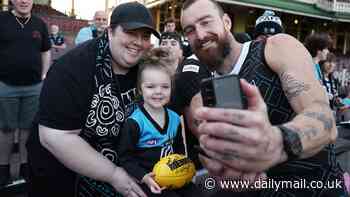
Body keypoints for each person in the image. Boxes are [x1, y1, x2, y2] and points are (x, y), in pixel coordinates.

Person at [180, 0, 346, 196]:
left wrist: (277, 142)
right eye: (190, 30)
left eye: (206, 22)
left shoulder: (275, 47)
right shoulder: (205, 96)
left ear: (226, 22)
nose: (199, 34)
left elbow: (325, 119)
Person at [26, 2, 160, 197]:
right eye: (131, 33)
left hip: (122, 174)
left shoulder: (146, 69)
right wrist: (114, 174)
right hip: (61, 177)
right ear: (110, 31)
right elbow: (54, 137)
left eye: (145, 36)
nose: (139, 42)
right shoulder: (73, 67)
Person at [118, 51, 200, 196]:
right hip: (148, 181)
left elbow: (179, 150)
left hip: (173, 177)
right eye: (151, 87)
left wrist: (185, 168)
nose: (158, 92)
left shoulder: (175, 118)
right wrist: (143, 177)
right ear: (140, 89)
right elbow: (125, 158)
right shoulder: (135, 122)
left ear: (171, 88)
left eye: (164, 87)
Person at [0, 0, 51, 185]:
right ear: (12, 1)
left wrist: (44, 75)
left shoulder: (39, 24)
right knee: (6, 130)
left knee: (27, 130)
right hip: (5, 85)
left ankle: (24, 167)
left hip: (33, 87)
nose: (23, 1)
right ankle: (3, 169)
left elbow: (46, 51)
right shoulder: (2, 20)